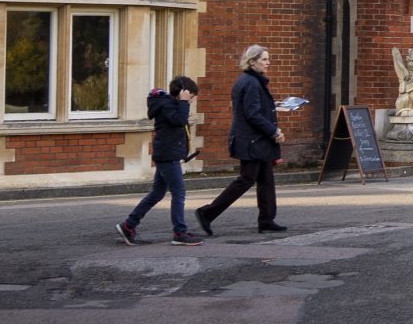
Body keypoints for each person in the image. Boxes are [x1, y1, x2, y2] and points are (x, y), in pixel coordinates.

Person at [194, 46, 289, 235]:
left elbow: (252, 107)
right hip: (252, 141)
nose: (268, 62)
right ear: (252, 62)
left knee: (266, 179)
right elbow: (252, 114)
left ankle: (267, 220)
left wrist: (272, 104)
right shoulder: (251, 82)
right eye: (264, 59)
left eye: (268, 59)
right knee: (246, 179)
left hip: (255, 141)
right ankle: (207, 213)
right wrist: (274, 131)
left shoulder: (250, 81)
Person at [117, 76, 201, 245]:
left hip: (167, 155)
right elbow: (180, 121)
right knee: (179, 192)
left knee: (157, 193)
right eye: (190, 97)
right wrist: (184, 103)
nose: (190, 101)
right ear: (183, 93)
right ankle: (180, 233)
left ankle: (128, 225)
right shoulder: (167, 106)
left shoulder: (170, 105)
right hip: (168, 157)